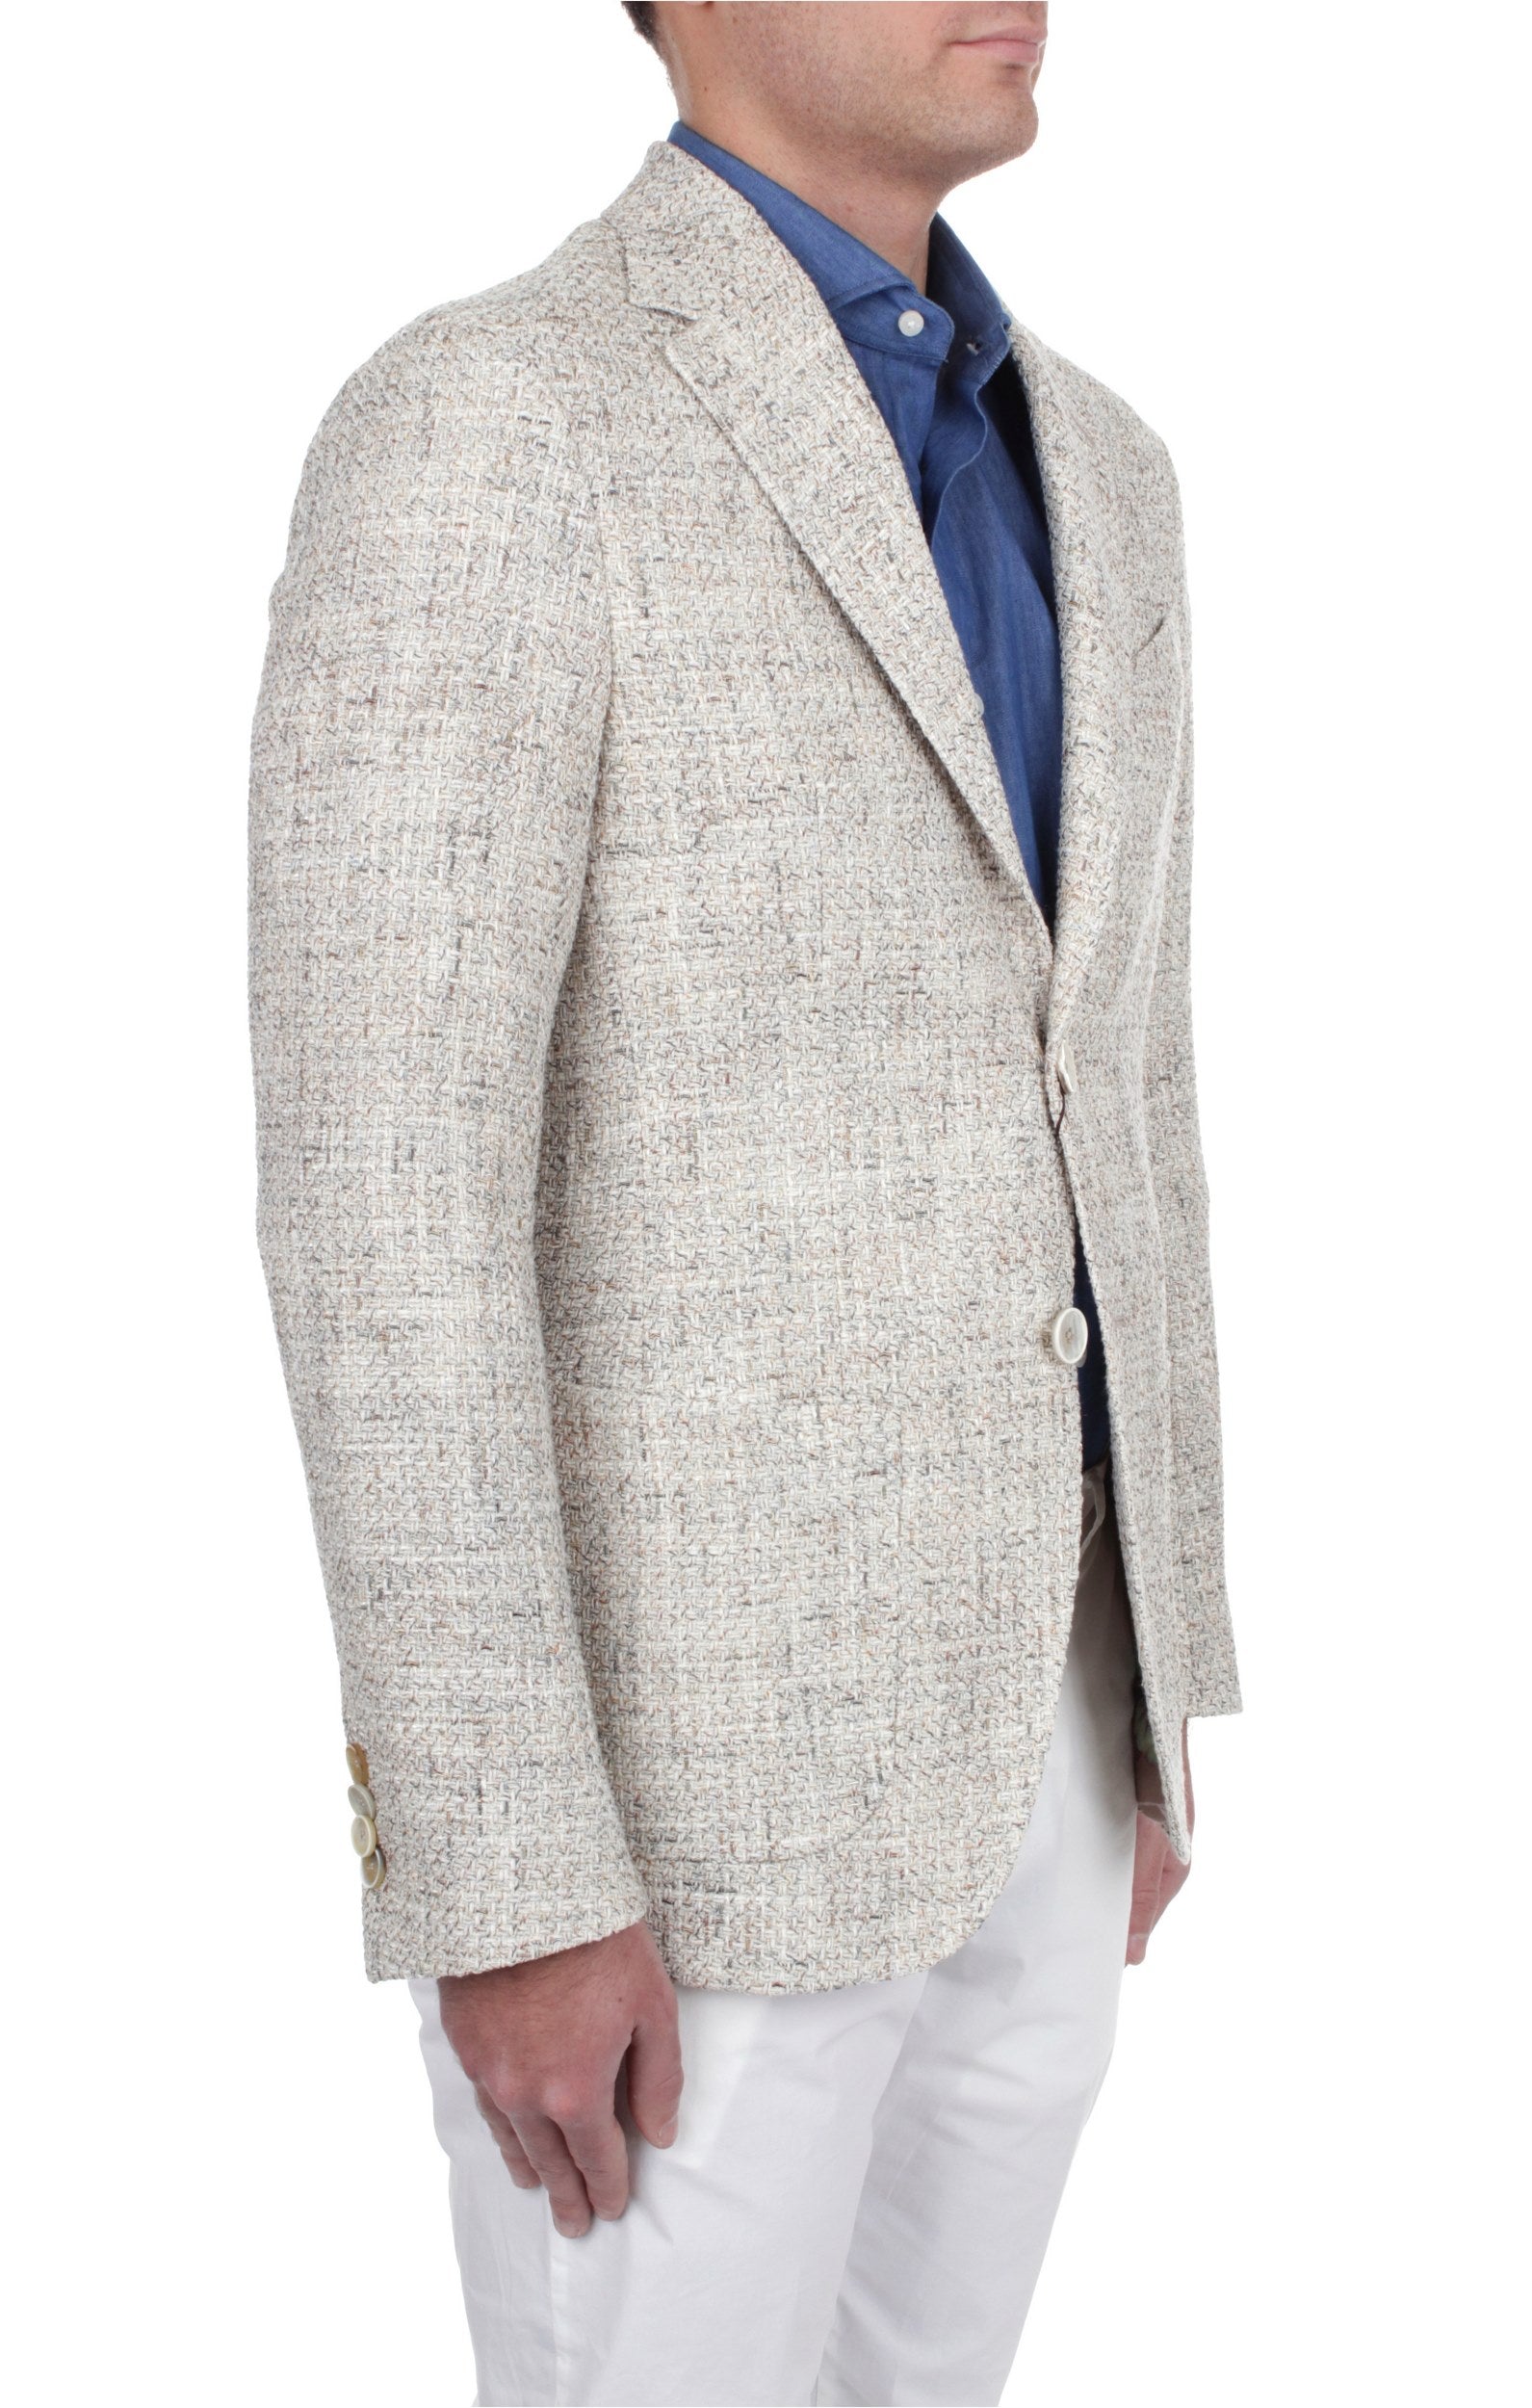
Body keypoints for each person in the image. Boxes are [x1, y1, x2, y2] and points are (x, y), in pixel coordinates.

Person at [248, 5, 1240, 2400]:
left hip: (1040, 1723)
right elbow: (385, 1205)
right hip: (671, 1817)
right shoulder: (492, 420)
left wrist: (1146, 1698)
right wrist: (503, 1863)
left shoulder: (1101, 467)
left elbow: (1117, 1085)